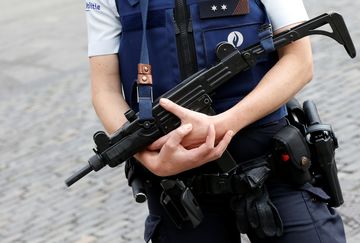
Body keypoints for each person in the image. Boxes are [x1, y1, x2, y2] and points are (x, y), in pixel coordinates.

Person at [85, 0, 346, 242]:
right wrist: (146, 157)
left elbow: (299, 62)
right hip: (177, 188)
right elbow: (104, 90)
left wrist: (223, 125)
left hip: (271, 164)